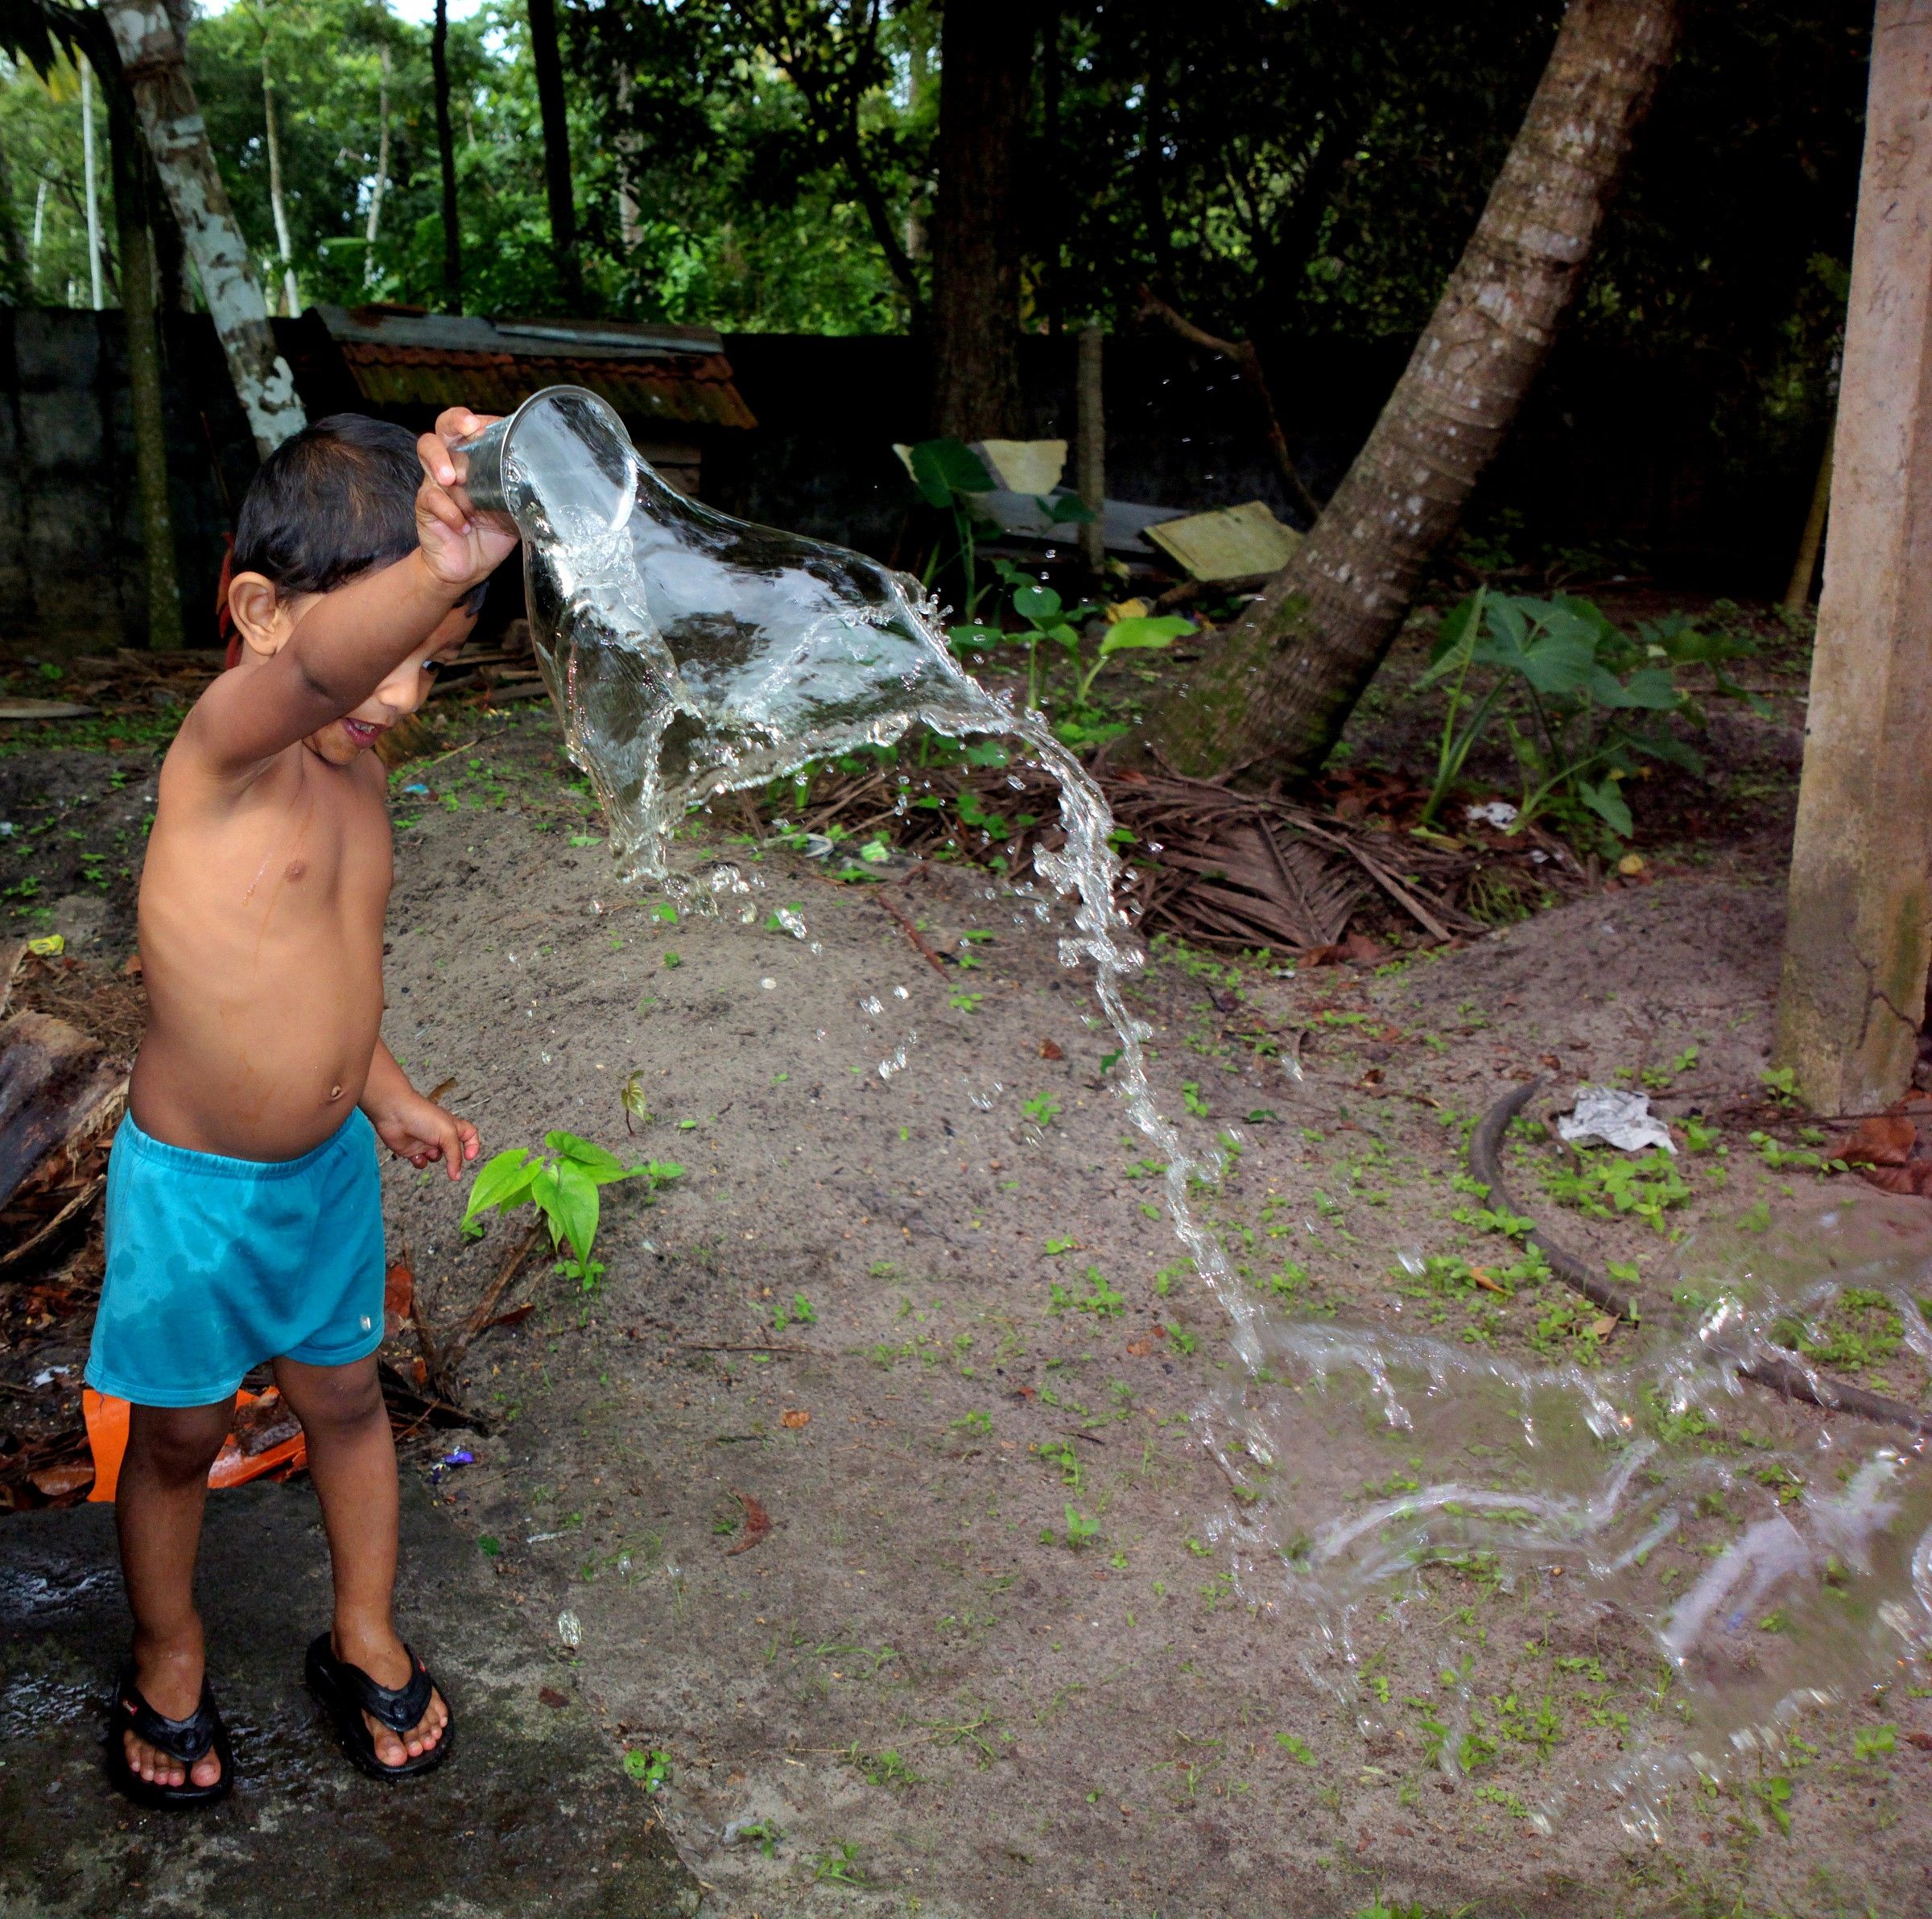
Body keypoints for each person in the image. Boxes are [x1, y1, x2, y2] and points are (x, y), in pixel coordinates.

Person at [86, 407, 514, 1806]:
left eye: (430, 670)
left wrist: (382, 1095)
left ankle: (364, 1626)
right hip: (199, 1192)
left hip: (326, 1174)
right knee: (180, 1436)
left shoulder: (361, 780)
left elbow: (333, 970)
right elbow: (324, 667)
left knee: (344, 1401)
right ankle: (167, 1646)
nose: (396, 697)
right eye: (385, 658)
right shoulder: (225, 755)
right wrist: (441, 567)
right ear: (261, 612)